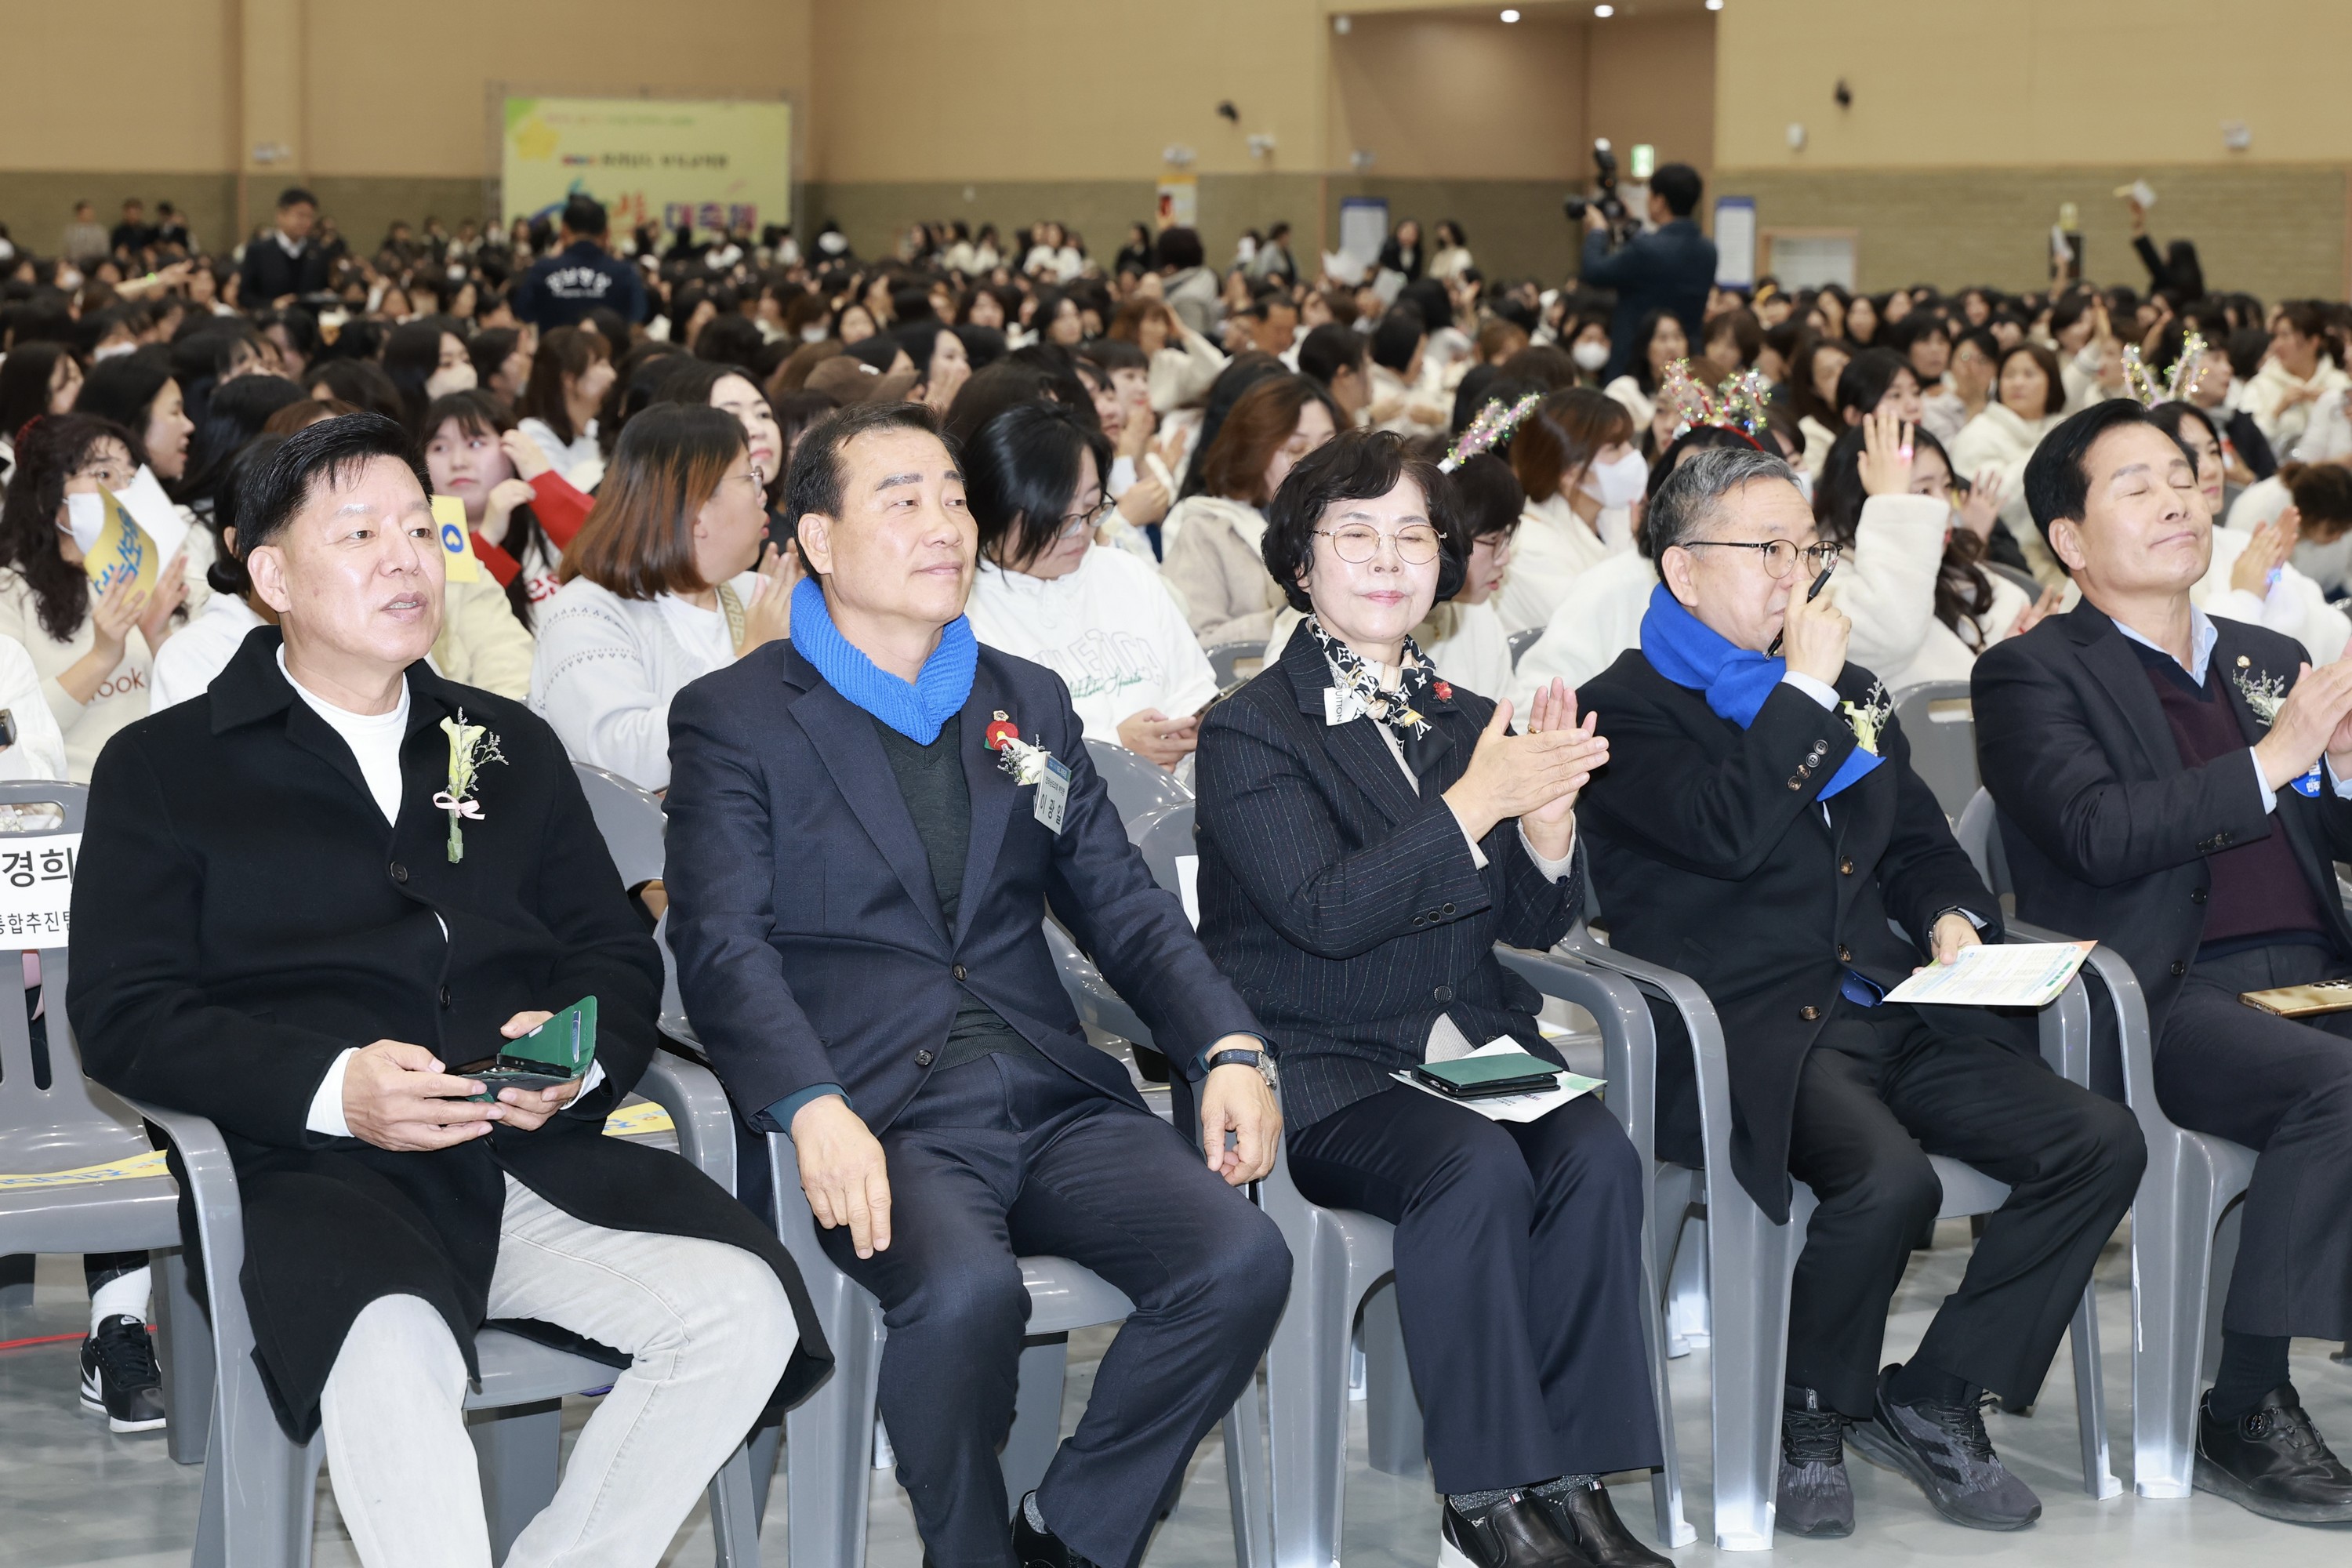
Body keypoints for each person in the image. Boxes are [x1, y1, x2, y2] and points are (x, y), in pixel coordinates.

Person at [67, 411, 826, 1568]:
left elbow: (613, 951)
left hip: (527, 1157)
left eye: (422, 529)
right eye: (360, 531)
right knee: (386, 1363)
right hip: (315, 1178)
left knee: (743, 1312)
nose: (405, 559)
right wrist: (334, 1088)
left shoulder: (505, 743)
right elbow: (126, 1015)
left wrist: (575, 1053)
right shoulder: (168, 767)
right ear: (271, 574)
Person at [664, 398, 1289, 1568]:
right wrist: (810, 1106)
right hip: (877, 1110)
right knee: (963, 1298)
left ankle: (1065, 1534)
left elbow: (1125, 912)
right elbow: (721, 947)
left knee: (1240, 1260)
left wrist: (1231, 1046)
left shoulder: (1024, 700)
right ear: (814, 538)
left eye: (952, 495)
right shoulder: (737, 719)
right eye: (901, 500)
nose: (944, 522)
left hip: (1046, 1087)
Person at [1576, 445, 2145, 1538]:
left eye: (1807, 548)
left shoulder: (1851, 695)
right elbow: (1726, 837)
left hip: (1890, 1003)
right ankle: (1804, 1413)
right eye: (1768, 551)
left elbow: (1919, 843)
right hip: (1744, 1028)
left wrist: (1949, 917)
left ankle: (1932, 1394)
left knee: (2100, 1139)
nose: (1797, 574)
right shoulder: (1625, 709)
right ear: (1684, 571)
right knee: (1890, 1184)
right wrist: (1800, 692)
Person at [1193, 430, 1666, 1568]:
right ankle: (1490, 1497)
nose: (1390, 558)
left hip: (1464, 1047)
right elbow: (1323, 912)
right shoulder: (1253, 728)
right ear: (1300, 564)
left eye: (1415, 535)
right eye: (1354, 534)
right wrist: (1473, 805)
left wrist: (1546, 838)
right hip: (1320, 1061)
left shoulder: (1462, 711)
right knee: (1472, 1165)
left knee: (1595, 1153)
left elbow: (1528, 927)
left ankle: (1577, 1481)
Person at [1973, 397, 2352, 1524]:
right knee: (2340, 1091)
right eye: (2135, 484)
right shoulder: (2033, 675)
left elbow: (2328, 838)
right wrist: (2271, 761)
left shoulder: (2266, 654)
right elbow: (2093, 833)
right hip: (2162, 991)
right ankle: (2244, 1402)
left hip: (2313, 968)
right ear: (2072, 542)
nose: (2178, 497)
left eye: (2184, 475)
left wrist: (2333, 772)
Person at [528, 405, 789, 792]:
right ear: (697, 510)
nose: (762, 493)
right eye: (750, 475)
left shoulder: (753, 593)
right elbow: (623, 763)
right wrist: (751, 662)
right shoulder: (586, 613)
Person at [958, 401, 1215, 771]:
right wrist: (1115, 752)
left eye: (1093, 507)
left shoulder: (1126, 573)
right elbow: (992, 765)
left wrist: (1193, 726)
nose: (1081, 532)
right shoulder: (963, 614)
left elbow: (1194, 690)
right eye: (1059, 520)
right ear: (995, 511)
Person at [0, 414, 188, 781]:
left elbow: (195, 712)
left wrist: (158, 638)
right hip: (70, 805)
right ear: (48, 492)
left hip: (161, 792)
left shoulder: (156, 572)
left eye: (131, 478)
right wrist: (102, 655)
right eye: (103, 475)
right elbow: (16, 734)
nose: (122, 491)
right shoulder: (11, 591)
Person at [1163, 374, 1338, 645]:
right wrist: (1291, 617)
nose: (1317, 462)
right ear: (1255, 452)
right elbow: (1195, 646)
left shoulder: (1352, 524)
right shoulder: (1207, 530)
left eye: (1329, 446)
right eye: (1296, 447)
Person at [422, 390, 592, 625]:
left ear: (511, 448)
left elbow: (613, 555)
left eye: (476, 443)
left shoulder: (546, 519)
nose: (458, 462)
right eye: (440, 448)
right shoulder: (418, 542)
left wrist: (542, 477)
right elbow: (454, 625)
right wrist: (487, 538)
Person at [1492, 387, 1641, 637]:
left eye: (1629, 442)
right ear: (1570, 473)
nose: (1632, 456)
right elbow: (1600, 630)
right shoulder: (1529, 547)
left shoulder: (1616, 516)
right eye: (1615, 448)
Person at [1578, 164, 1716, 383]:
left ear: (1659, 201)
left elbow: (1594, 272)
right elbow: (1659, 262)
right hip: (1686, 360)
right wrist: (1632, 226)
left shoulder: (1647, 251)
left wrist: (1597, 232)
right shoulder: (1708, 251)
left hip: (1638, 364)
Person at [1949, 341, 2071, 586]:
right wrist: (2048, 447)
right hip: (2009, 554)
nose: (2017, 383)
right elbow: (1993, 503)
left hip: (2071, 544)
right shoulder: (1978, 434)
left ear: (2051, 382)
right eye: (2009, 375)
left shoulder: (2066, 428)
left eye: (2029, 374)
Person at [513, 195, 648, 330]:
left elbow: (524, 313)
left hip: (555, 350)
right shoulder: (624, 273)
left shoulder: (543, 270)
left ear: (564, 231)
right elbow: (639, 315)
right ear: (606, 233)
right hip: (608, 351)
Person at [516, 325, 615, 489]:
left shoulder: (595, 429)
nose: (612, 375)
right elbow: (561, 498)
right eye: (602, 365)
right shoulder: (534, 434)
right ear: (569, 378)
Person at [238, 187, 329, 307]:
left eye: (310, 217)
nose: (307, 222)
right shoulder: (259, 251)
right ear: (280, 215)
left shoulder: (318, 252)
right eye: (300, 216)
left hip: (309, 322)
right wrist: (272, 304)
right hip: (270, 320)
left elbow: (323, 288)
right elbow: (244, 296)